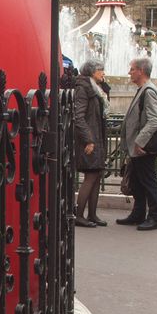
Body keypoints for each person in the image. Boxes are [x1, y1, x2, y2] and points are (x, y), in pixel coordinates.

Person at [117, 56, 157, 231]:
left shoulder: (149, 91)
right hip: (137, 147)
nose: (129, 72)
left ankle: (154, 217)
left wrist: (140, 141)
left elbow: (155, 121)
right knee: (137, 181)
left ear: (141, 71)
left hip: (143, 147)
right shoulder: (142, 90)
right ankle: (138, 214)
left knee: (148, 181)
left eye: (132, 69)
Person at [70, 61, 110, 227]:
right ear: (92, 72)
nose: (103, 73)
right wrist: (88, 139)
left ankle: (92, 214)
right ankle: (79, 215)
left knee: (97, 174)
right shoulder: (83, 88)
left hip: (96, 137)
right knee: (91, 175)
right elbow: (78, 116)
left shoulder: (95, 87)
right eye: (101, 70)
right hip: (89, 140)